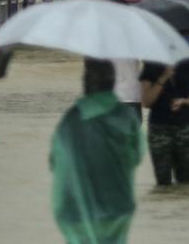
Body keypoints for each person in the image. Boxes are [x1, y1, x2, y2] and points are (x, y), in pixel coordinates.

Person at [50, 59, 143, 244]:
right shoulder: (126, 117)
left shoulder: (71, 118)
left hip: (77, 208)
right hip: (117, 205)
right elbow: (136, 156)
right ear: (112, 81)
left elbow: (55, 161)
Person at [139, 58, 189, 185]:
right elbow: (147, 101)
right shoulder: (151, 66)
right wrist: (163, 78)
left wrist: (184, 101)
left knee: (187, 178)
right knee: (162, 179)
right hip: (159, 127)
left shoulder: (188, 64)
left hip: (186, 127)